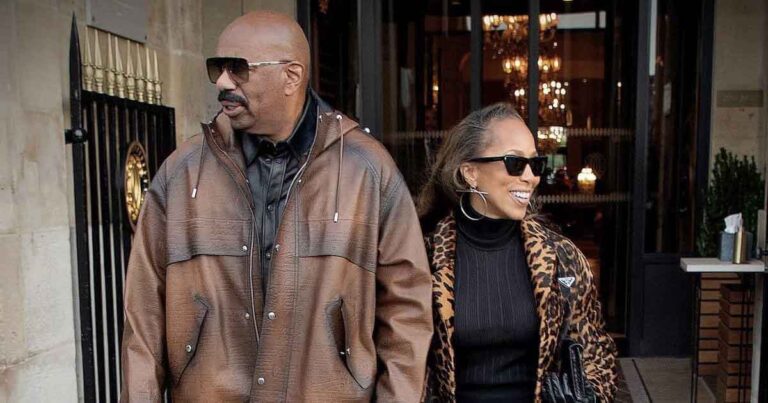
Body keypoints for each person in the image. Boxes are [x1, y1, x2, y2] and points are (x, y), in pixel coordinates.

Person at [120, 11, 432, 402]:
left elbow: (406, 313)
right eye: (217, 68)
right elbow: (143, 318)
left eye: (237, 68)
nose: (222, 82)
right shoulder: (182, 172)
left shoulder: (366, 169)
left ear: (291, 76)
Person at [419, 103, 617, 402]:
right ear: (470, 172)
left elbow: (597, 352)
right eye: (515, 163)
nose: (530, 177)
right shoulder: (424, 257)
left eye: (535, 164)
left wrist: (591, 394)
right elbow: (401, 361)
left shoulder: (561, 257)